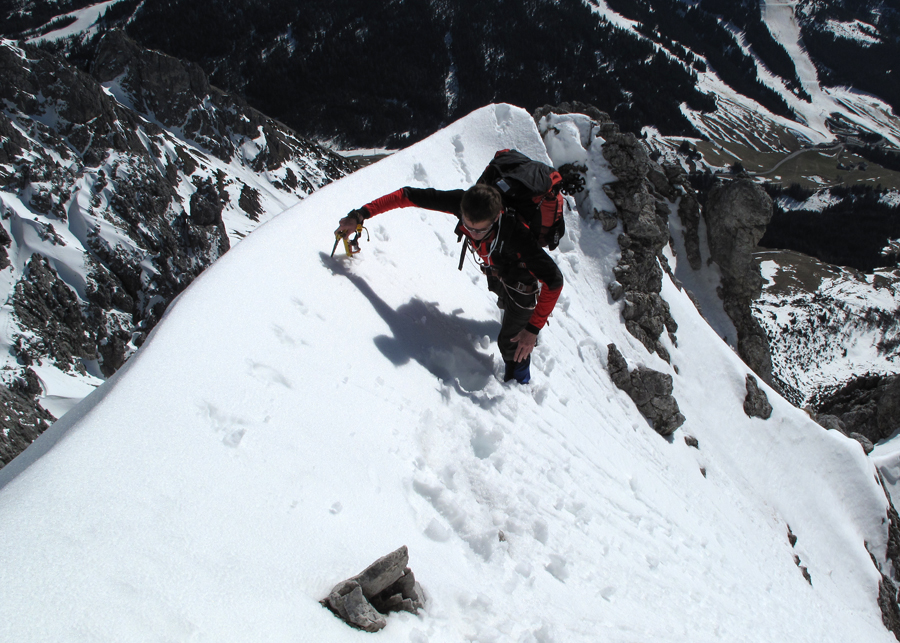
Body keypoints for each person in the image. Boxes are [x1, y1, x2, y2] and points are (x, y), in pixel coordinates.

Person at [336, 182, 564, 384]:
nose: (473, 234)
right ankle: (513, 323)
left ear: (496, 218)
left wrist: (532, 330)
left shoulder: (516, 234)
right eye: (468, 226)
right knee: (504, 305)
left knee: (511, 343)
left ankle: (519, 384)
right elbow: (407, 195)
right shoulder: (462, 203)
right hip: (498, 269)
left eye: (481, 229)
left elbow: (554, 281)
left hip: (520, 281)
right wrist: (360, 214)